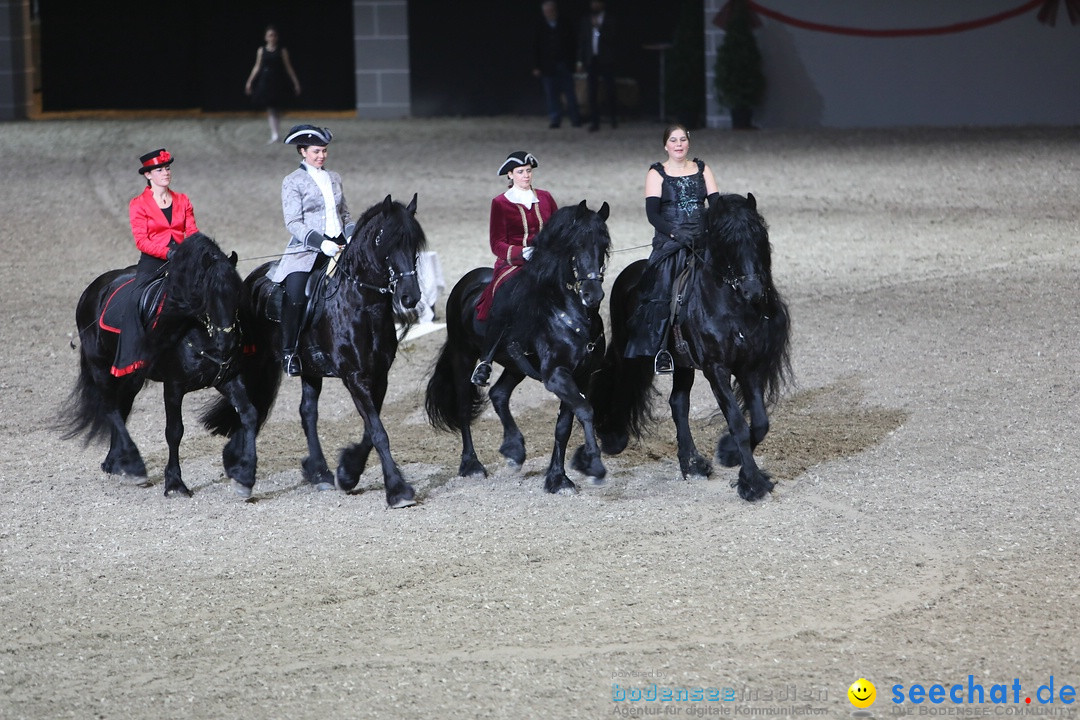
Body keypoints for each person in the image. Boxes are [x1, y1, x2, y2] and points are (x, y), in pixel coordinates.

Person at [624, 124, 720, 373]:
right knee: (662, 292)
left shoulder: (702, 169)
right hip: (671, 243)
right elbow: (653, 215)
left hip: (702, 239)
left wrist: (708, 230)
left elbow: (716, 205)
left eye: (683, 140)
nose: (679, 145)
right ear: (666, 145)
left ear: (689, 142)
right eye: (674, 140)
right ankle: (662, 351)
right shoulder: (657, 173)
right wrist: (677, 233)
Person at [268, 124, 354, 376]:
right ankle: (289, 351)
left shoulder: (334, 177)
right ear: (302, 152)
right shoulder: (292, 181)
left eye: (324, 151)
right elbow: (293, 222)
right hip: (307, 250)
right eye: (316, 151)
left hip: (339, 245)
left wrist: (350, 235)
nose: (321, 156)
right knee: (295, 296)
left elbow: (345, 214)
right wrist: (321, 243)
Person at [470, 150, 558, 386]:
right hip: (513, 264)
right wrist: (521, 253)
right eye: (520, 172)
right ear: (510, 174)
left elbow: (557, 231)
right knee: (505, 298)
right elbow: (496, 243)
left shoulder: (546, 198)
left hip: (545, 261)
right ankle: (486, 360)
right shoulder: (500, 203)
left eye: (528, 171)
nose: (526, 176)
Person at [113, 148, 200, 377]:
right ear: (148, 175)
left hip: (183, 259)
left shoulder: (182, 200)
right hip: (154, 261)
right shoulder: (138, 204)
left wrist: (192, 251)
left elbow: (191, 231)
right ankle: (132, 356)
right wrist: (167, 253)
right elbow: (141, 240)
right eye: (160, 170)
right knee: (135, 299)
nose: (166, 173)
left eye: (167, 168)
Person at [244, 25, 301, 144]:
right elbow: (257, 67)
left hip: (278, 81)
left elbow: (288, 67)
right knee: (270, 109)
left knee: (277, 108)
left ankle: (276, 132)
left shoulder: (282, 51)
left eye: (274, 35)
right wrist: (250, 81)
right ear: (266, 37)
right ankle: (274, 134)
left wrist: (295, 82)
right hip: (266, 82)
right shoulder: (261, 51)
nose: (272, 38)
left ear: (277, 37)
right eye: (270, 35)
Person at [533, 0, 581, 129]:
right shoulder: (540, 26)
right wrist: (536, 66)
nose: (548, 13)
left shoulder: (565, 23)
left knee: (570, 93)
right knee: (551, 95)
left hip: (564, 64)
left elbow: (573, 44)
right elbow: (536, 47)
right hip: (547, 66)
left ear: (555, 10)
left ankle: (575, 118)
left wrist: (575, 62)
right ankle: (555, 119)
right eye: (546, 12)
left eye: (550, 11)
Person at [578, 0, 618, 132]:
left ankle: (613, 118)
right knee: (592, 91)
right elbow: (583, 41)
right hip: (592, 60)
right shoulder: (586, 20)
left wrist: (599, 28)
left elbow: (613, 38)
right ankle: (595, 121)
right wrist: (580, 60)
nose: (594, 5)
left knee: (609, 89)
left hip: (606, 60)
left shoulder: (610, 19)